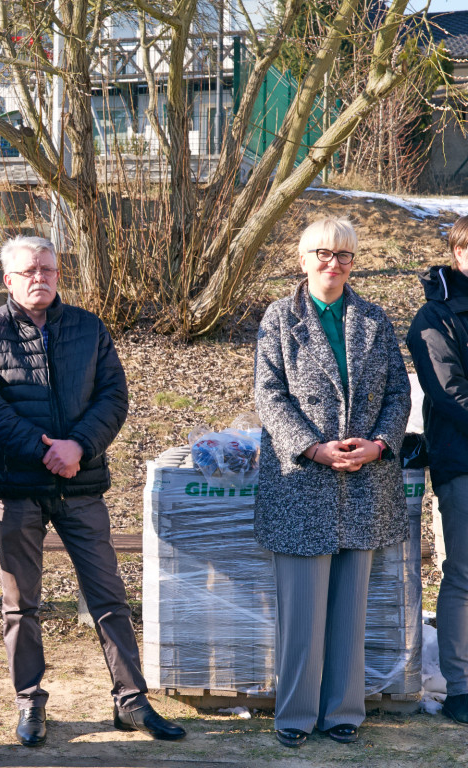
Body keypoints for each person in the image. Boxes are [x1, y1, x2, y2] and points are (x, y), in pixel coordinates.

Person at [0, 235, 184, 746]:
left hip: (81, 485)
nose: (40, 277)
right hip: (18, 488)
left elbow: (113, 395)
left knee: (108, 596)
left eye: (48, 269)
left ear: (59, 274)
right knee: (22, 605)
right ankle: (30, 704)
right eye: (30, 270)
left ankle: (131, 702)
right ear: (7, 280)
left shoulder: (89, 328)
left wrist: (78, 446)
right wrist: (45, 449)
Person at [254, 217, 411, 748]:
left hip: (365, 482)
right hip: (302, 482)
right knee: (303, 613)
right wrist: (313, 447)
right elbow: (269, 396)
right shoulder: (279, 319)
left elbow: (397, 395)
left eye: (344, 255)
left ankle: (344, 710)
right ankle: (295, 716)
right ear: (303, 258)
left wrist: (381, 444)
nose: (333, 263)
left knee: (349, 610)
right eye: (323, 253)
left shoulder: (374, 319)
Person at [406, 214, 468, 725]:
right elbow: (449, 393)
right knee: (466, 574)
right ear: (457, 253)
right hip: (463, 461)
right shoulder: (435, 317)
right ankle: (462, 687)